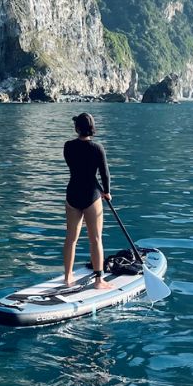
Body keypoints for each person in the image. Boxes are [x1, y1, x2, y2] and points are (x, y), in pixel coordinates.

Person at [62, 112, 112, 290]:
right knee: (96, 239)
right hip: (92, 195)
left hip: (73, 194)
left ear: (77, 128)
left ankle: (68, 277)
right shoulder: (97, 148)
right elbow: (104, 174)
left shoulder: (67, 146)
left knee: (71, 238)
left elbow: (75, 167)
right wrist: (107, 192)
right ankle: (99, 280)